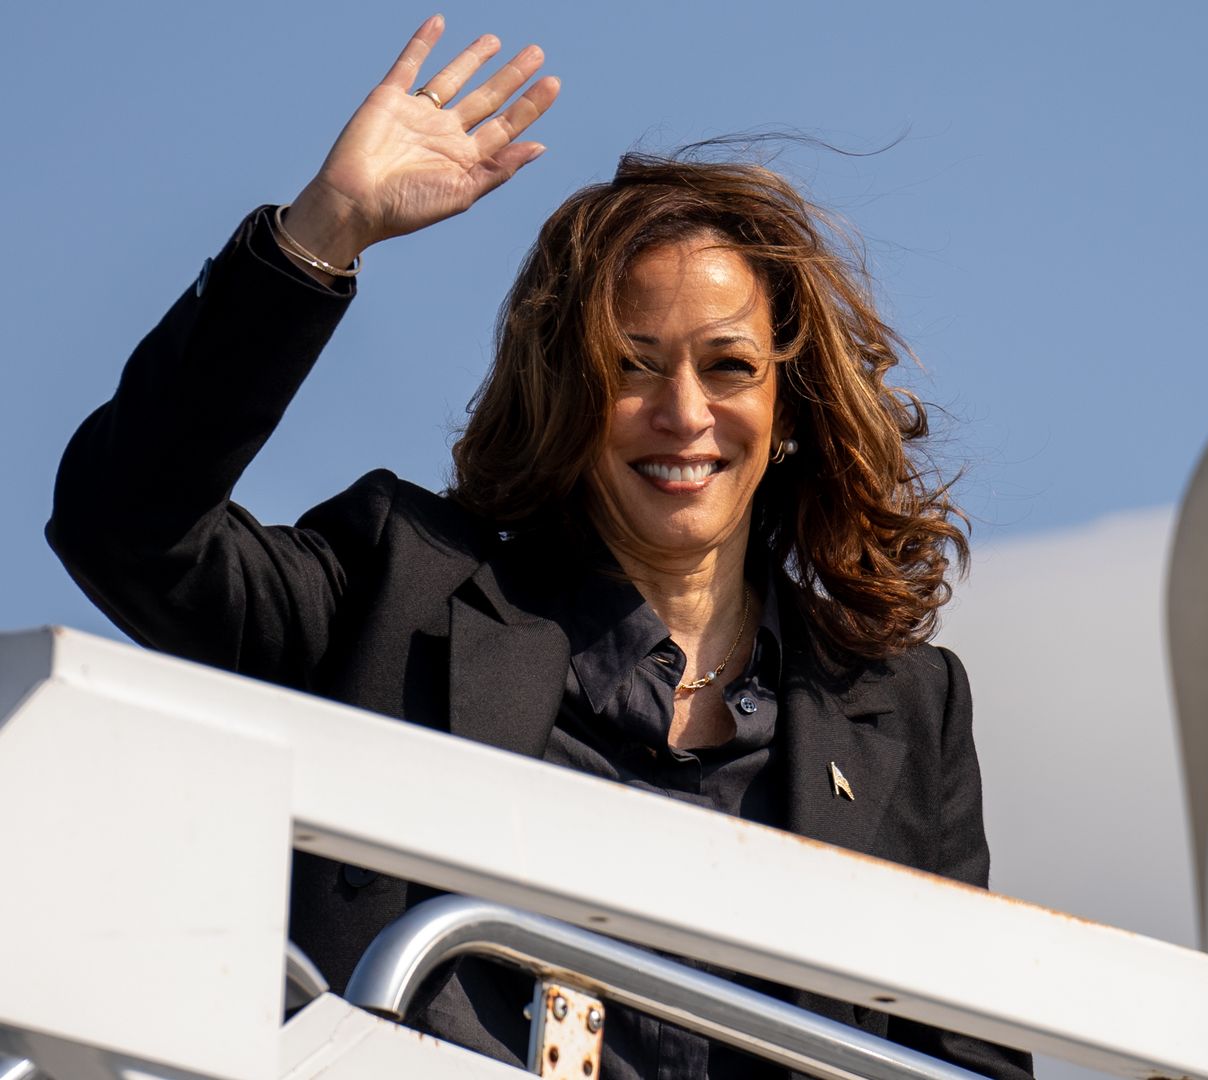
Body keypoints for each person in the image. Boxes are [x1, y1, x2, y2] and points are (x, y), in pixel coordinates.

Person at [46, 17, 1032, 1079]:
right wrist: (324, 228)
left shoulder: (904, 707)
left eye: (731, 366)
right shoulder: (404, 587)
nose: (684, 413)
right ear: (569, 393)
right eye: (633, 365)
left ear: (789, 408)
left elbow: (962, 1056)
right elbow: (127, 526)